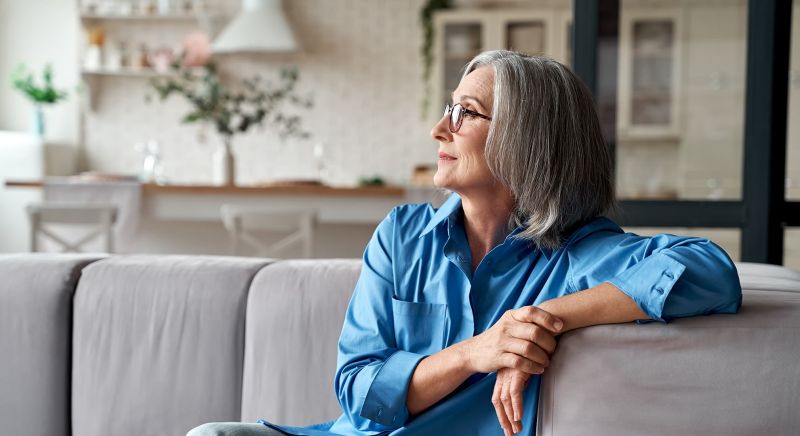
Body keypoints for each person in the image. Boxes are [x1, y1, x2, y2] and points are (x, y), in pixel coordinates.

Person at [187, 50, 742, 436]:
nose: (439, 130)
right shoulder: (402, 236)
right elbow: (358, 393)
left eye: (465, 113)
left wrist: (542, 319)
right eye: (448, 108)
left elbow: (711, 271)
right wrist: (477, 352)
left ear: (527, 140)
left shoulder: (580, 256)